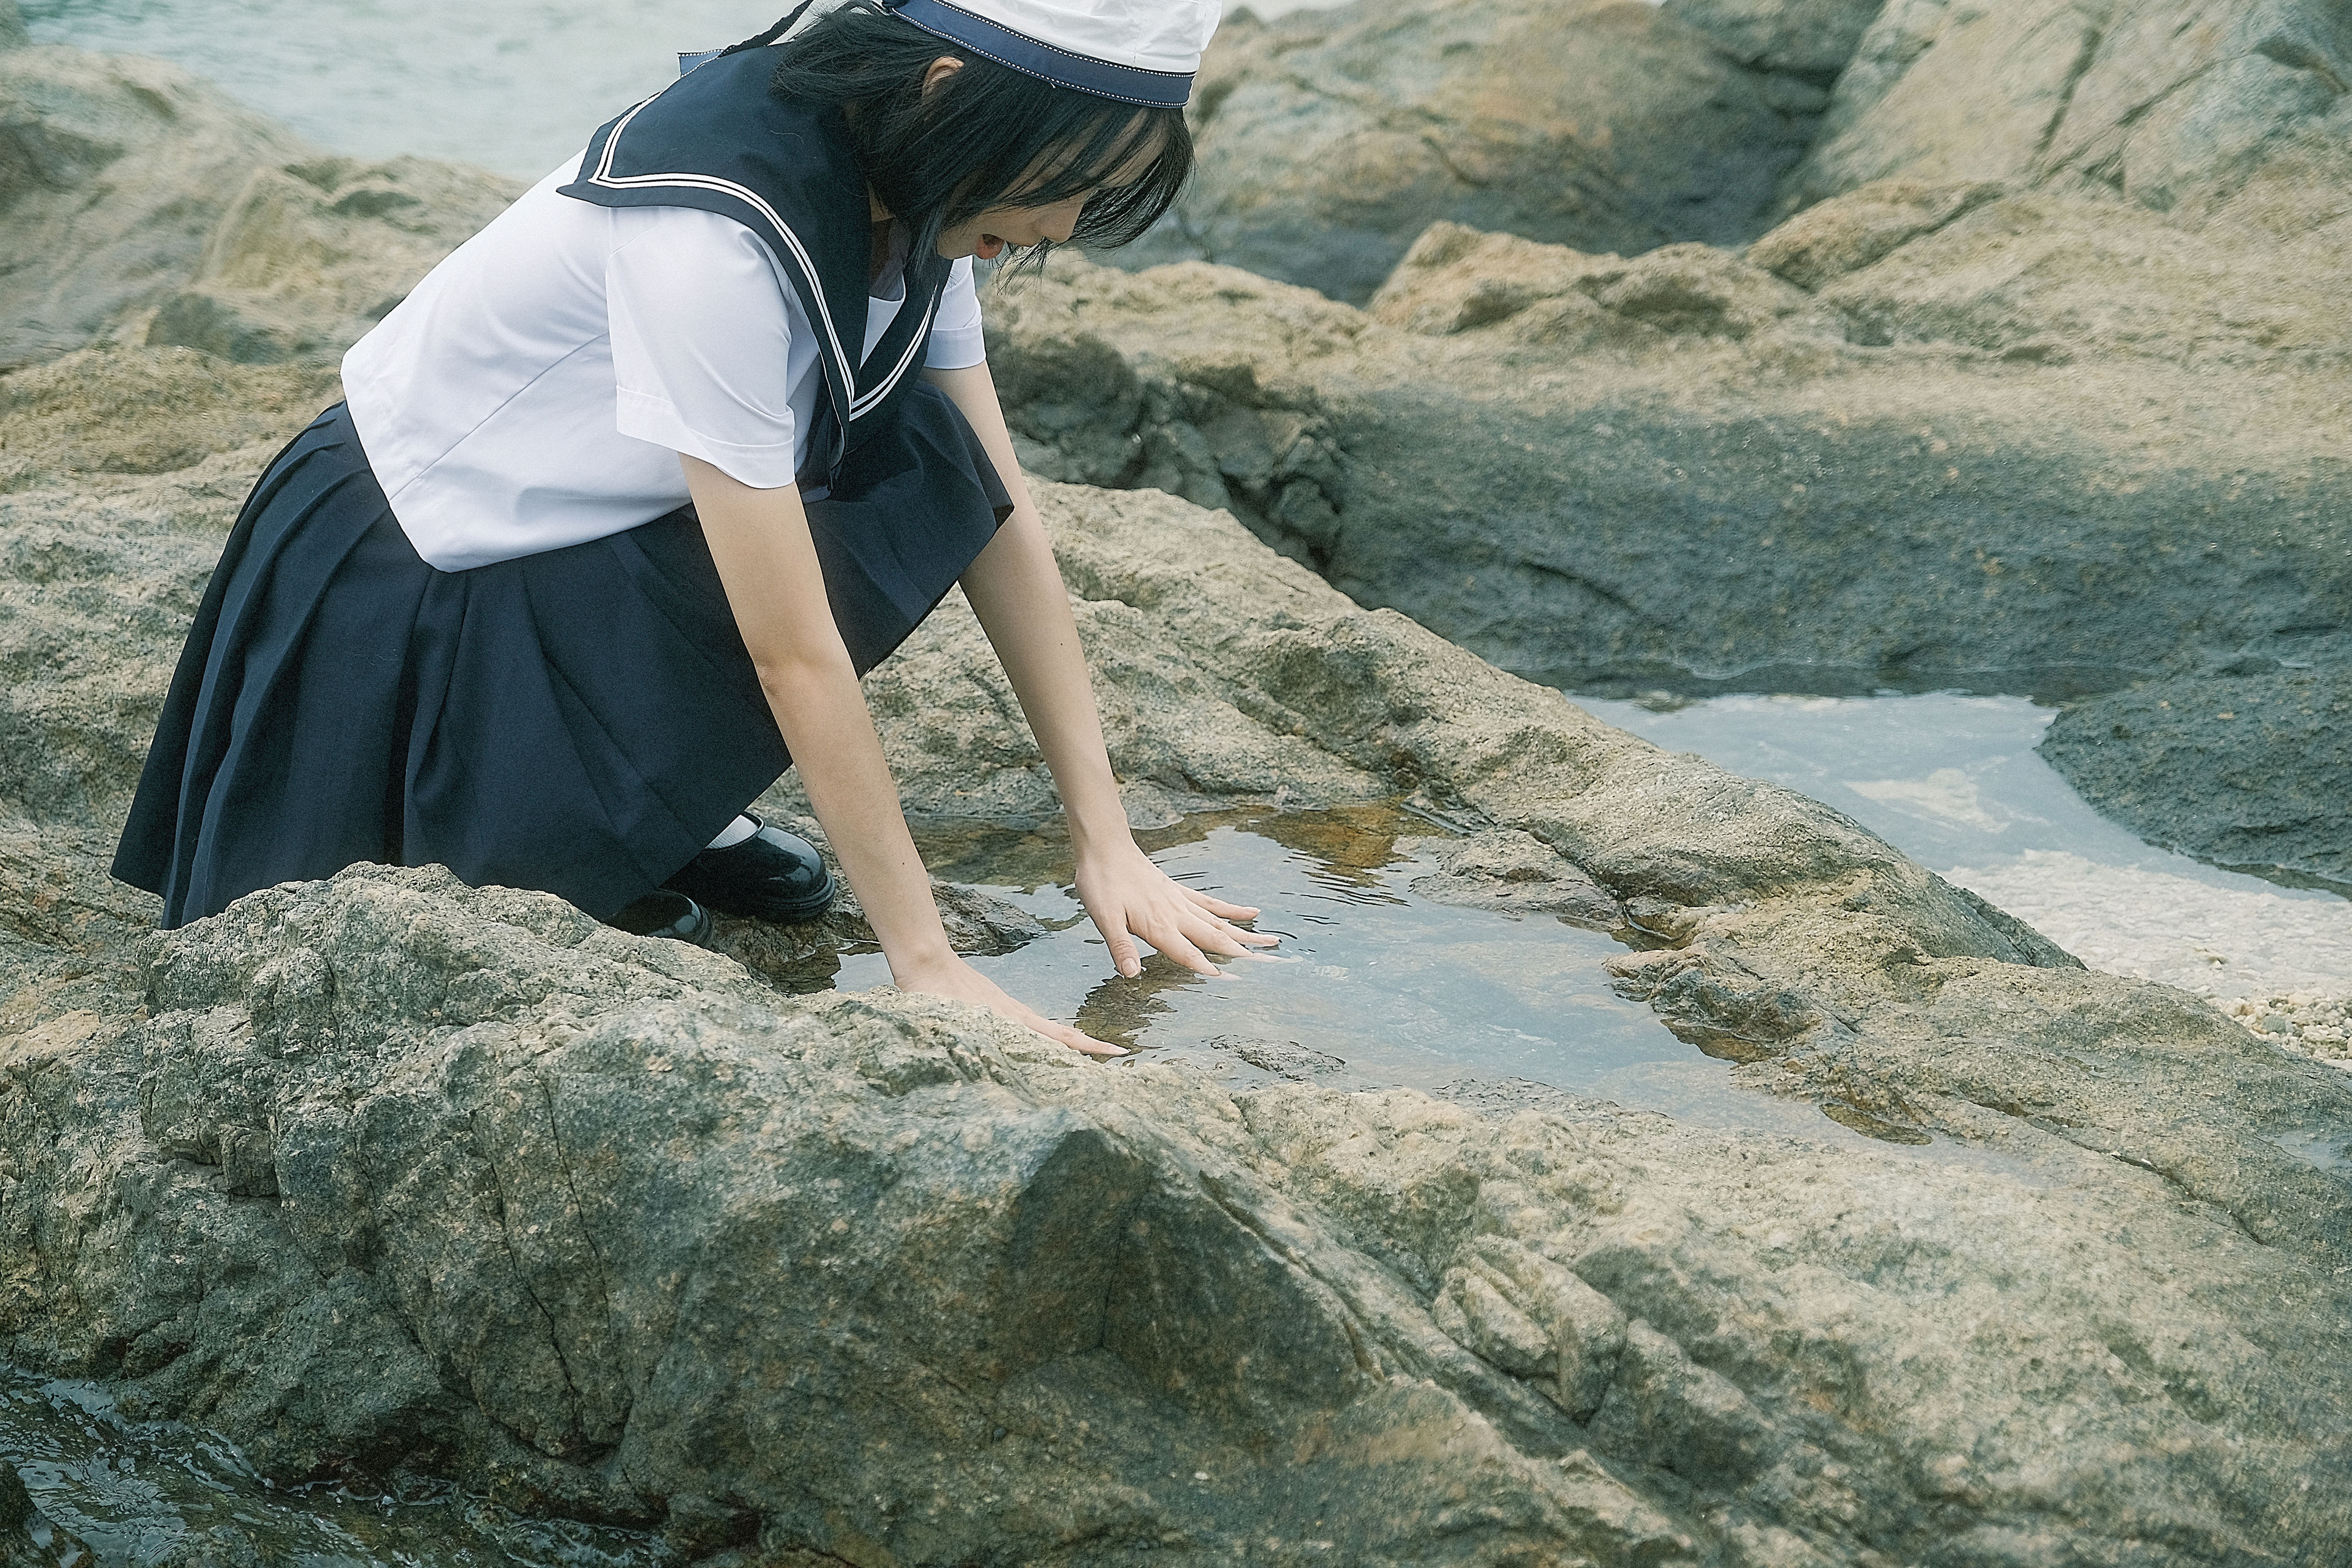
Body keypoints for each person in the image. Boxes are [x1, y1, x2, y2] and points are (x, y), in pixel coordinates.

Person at [112, 0, 1277, 1056]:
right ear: (946, 94)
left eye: (1093, 198)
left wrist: (1106, 837)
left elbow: (997, 510)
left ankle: (634, 808)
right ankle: (552, 814)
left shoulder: (920, 184)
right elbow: (791, 650)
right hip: (411, 570)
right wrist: (925, 964)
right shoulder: (711, 231)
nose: (1064, 227)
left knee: (931, 467)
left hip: (591, 528)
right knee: (403, 978)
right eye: (1060, 184)